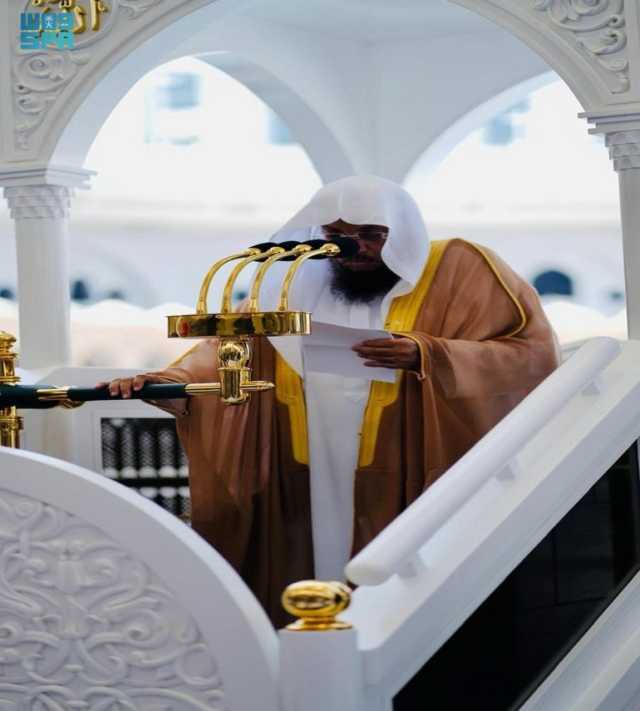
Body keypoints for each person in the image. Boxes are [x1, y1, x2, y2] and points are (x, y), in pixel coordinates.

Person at [102, 175, 560, 627]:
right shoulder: (292, 283)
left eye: (371, 236)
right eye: (337, 236)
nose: (353, 249)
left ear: (401, 234)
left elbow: (530, 354)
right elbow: (225, 350)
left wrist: (427, 353)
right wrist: (171, 383)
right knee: (316, 558)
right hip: (308, 461)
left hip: (409, 456)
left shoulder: (459, 268)